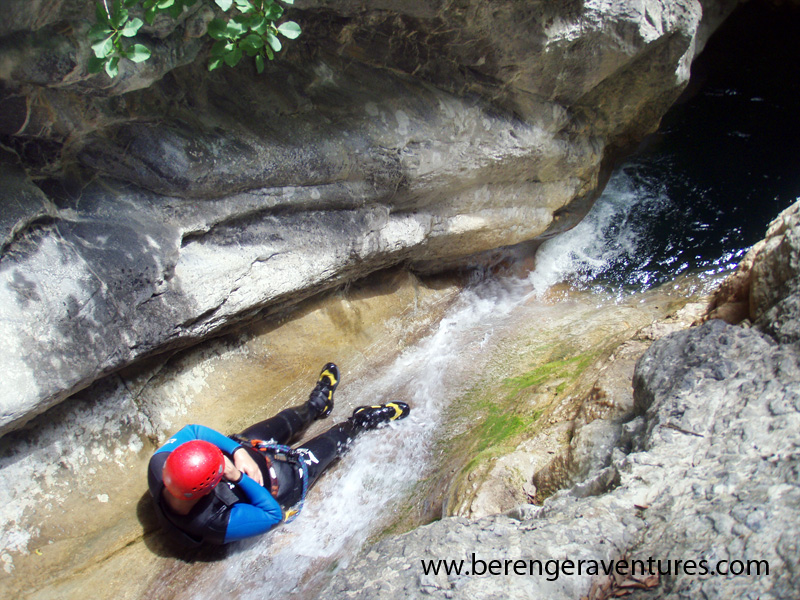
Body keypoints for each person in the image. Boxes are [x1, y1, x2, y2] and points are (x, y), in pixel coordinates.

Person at [147, 363, 410, 546]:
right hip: (280, 484)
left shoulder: (159, 466)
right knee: (329, 444)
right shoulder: (213, 523)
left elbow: (193, 431)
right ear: (208, 487)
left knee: (287, 420)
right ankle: (361, 422)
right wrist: (237, 477)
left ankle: (317, 405)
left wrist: (237, 451)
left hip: (249, 449)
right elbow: (272, 515)